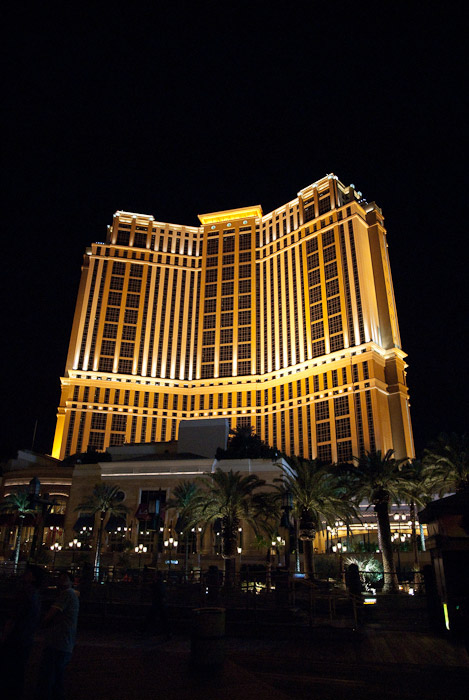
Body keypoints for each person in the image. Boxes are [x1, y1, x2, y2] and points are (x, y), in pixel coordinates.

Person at [0, 565, 43, 699]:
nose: (25, 574)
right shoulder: (35, 594)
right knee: (18, 671)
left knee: (9, 670)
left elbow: (13, 617)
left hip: (16, 638)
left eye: (28, 573)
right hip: (25, 637)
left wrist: (4, 635)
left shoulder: (25, 593)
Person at [36, 572, 79, 700]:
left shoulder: (66, 594)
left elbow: (52, 614)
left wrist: (42, 623)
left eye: (64, 578)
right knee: (56, 676)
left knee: (49, 676)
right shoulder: (71, 595)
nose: (61, 580)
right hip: (64, 642)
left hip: (58, 641)